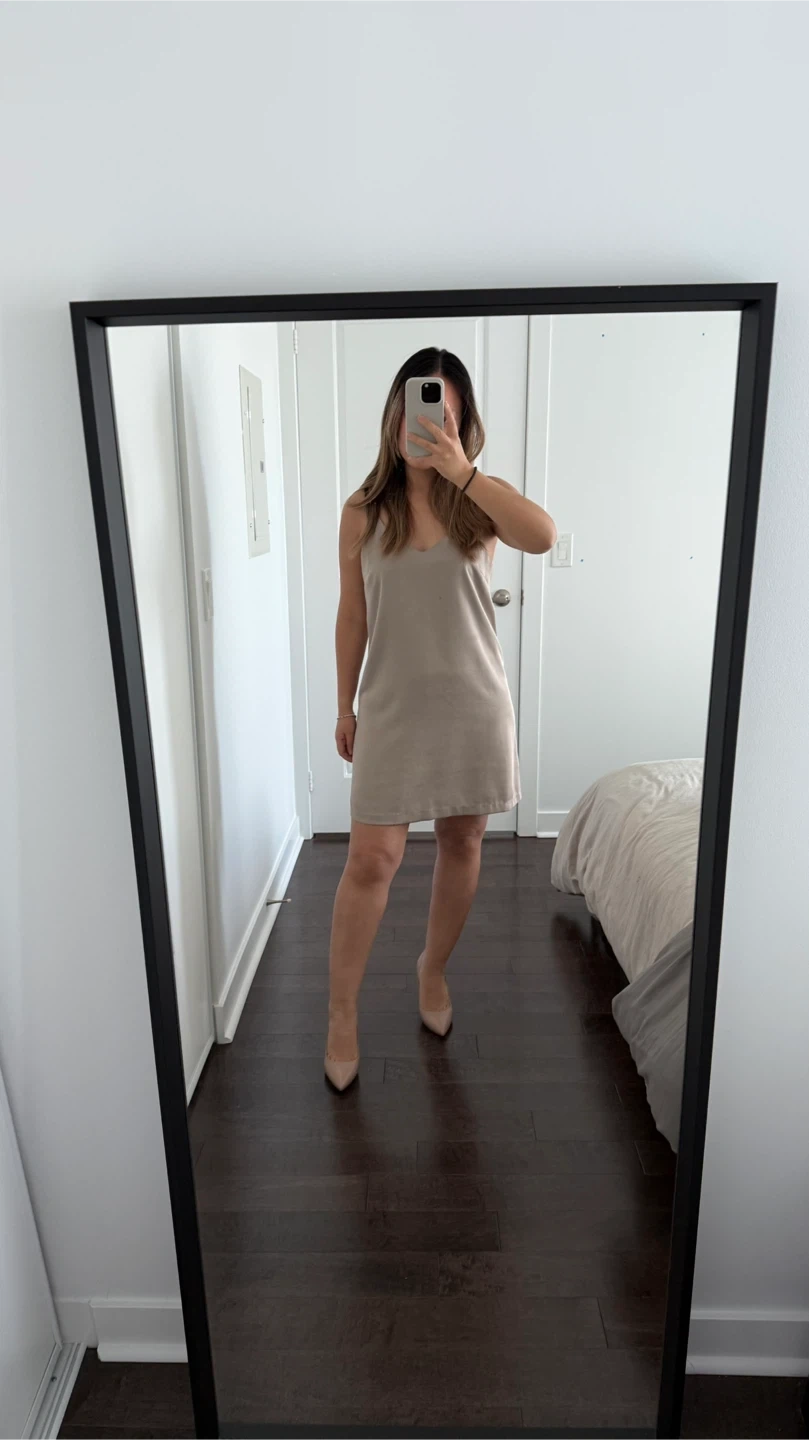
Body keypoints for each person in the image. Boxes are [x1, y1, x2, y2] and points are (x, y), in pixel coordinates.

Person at [325, 347, 557, 1089]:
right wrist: (343, 705)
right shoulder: (362, 511)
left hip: (472, 706)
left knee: (463, 841)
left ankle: (432, 969)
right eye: (412, 407)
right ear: (393, 414)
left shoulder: (479, 499)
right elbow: (352, 616)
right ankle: (340, 1013)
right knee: (371, 861)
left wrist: (463, 472)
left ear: (461, 424)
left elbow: (543, 536)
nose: (421, 423)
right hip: (391, 708)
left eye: (442, 413)